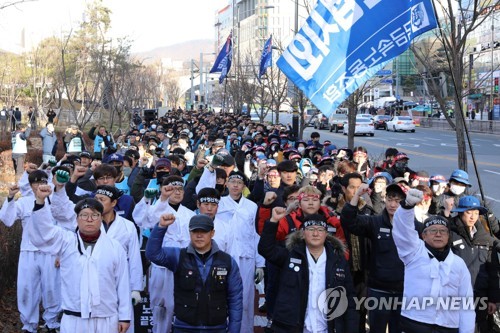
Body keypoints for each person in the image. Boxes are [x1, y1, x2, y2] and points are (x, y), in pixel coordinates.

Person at [28, 190, 131, 333]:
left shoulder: (115, 247)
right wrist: (40, 202)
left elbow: (123, 283)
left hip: (107, 318)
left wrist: (125, 317)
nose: (89, 219)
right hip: (74, 319)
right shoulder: (66, 242)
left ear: (101, 218)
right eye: (84, 215)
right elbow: (43, 234)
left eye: (94, 215)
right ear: (77, 219)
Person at [341, 182, 422, 333]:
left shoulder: (415, 227)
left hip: (405, 291)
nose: (393, 204)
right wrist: (357, 195)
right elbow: (349, 222)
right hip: (379, 290)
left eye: (398, 201)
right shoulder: (375, 222)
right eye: (390, 199)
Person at [258, 210, 358, 332]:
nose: (315, 233)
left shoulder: (339, 260)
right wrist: (273, 221)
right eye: (310, 229)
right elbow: (265, 249)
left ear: (326, 234)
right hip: (295, 328)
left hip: (328, 328)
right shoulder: (290, 255)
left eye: (320, 229)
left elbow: (349, 298)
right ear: (303, 233)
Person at [392, 189, 475, 333]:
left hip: (448, 326)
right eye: (433, 230)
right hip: (415, 323)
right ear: (423, 235)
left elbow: (466, 304)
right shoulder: (414, 253)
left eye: (443, 231)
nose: (438, 234)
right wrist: (407, 207)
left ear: (449, 236)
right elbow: (403, 231)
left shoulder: (458, 264)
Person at [146, 213, 243, 332]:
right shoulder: (178, 256)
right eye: (195, 231)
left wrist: (234, 330)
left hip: (217, 328)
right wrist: (161, 227)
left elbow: (235, 298)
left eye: (204, 231)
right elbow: (153, 254)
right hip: (184, 327)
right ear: (190, 233)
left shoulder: (228, 261)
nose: (199, 235)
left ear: (212, 233)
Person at [0, 171, 70, 333]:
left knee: (52, 287)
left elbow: (66, 222)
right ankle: (29, 324)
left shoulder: (55, 200)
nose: (39, 185)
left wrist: (61, 252)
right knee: (27, 287)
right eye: (36, 183)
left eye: (43, 181)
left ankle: (51, 322)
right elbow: (7, 219)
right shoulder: (24, 202)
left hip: (51, 251)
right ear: (30, 185)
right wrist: (10, 198)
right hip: (29, 250)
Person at [449, 196, 500, 332]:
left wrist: (493, 299)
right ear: (460, 212)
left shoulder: (486, 239)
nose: (473, 216)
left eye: (476, 213)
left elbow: (493, 272)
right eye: (469, 212)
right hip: (455, 296)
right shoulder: (449, 234)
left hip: (480, 296)